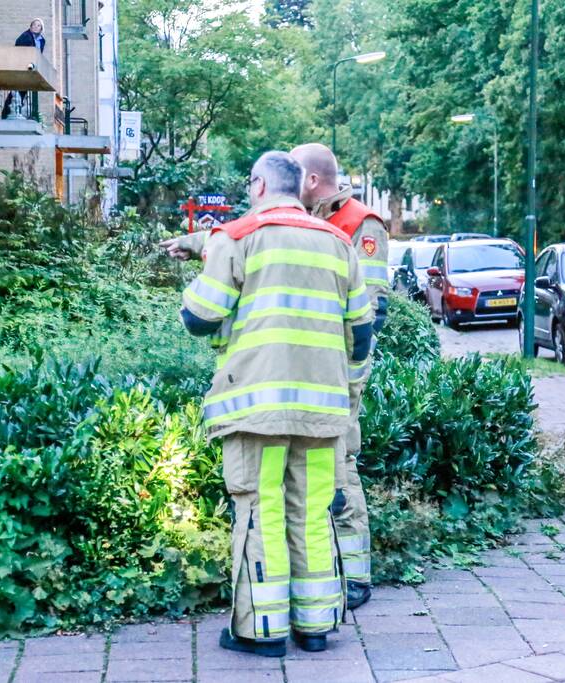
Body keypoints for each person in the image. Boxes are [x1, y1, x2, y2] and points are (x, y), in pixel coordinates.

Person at [160, 151, 374, 657]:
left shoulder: (239, 237)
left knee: (260, 509)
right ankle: (317, 626)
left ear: (258, 186)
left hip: (257, 410)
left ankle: (263, 631)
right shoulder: (339, 243)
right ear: (300, 189)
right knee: (314, 512)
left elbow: (200, 316)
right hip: (324, 414)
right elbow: (362, 335)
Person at [290, 143, 389, 610]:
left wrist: (346, 372)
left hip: (341, 367)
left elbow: (371, 309)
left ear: (311, 180)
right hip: (314, 364)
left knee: (341, 461)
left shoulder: (360, 223)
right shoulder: (310, 219)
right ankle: (329, 565)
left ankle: (355, 576)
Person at [2, 20, 45, 119]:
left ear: (41, 28)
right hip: (23, 65)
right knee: (18, 89)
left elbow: (39, 54)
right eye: (34, 25)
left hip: (31, 67)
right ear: (30, 26)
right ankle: (7, 112)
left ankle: (16, 110)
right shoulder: (26, 36)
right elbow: (20, 48)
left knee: (23, 90)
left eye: (38, 25)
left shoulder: (42, 40)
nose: (35, 27)